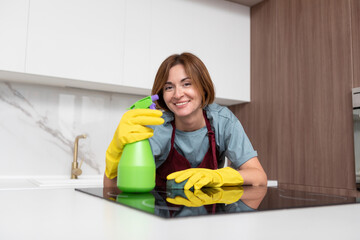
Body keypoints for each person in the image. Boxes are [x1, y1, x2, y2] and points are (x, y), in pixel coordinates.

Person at [104, 52, 267, 189]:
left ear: (203, 87)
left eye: (187, 84)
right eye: (169, 87)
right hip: (162, 220)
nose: (177, 94)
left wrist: (219, 176)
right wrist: (114, 155)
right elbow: (114, 188)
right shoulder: (157, 127)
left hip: (210, 221)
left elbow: (259, 177)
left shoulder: (222, 121)